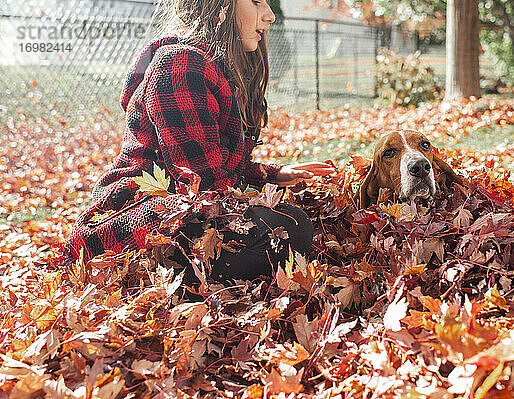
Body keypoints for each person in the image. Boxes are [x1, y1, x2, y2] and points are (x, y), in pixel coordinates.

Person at [64, 0, 335, 285]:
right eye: (256, 1)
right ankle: (163, 280)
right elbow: (202, 181)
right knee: (290, 227)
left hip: (180, 212)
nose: (269, 15)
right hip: (140, 222)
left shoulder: (217, 65)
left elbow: (216, 164)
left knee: (293, 224)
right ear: (219, 6)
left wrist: (271, 175)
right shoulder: (180, 64)